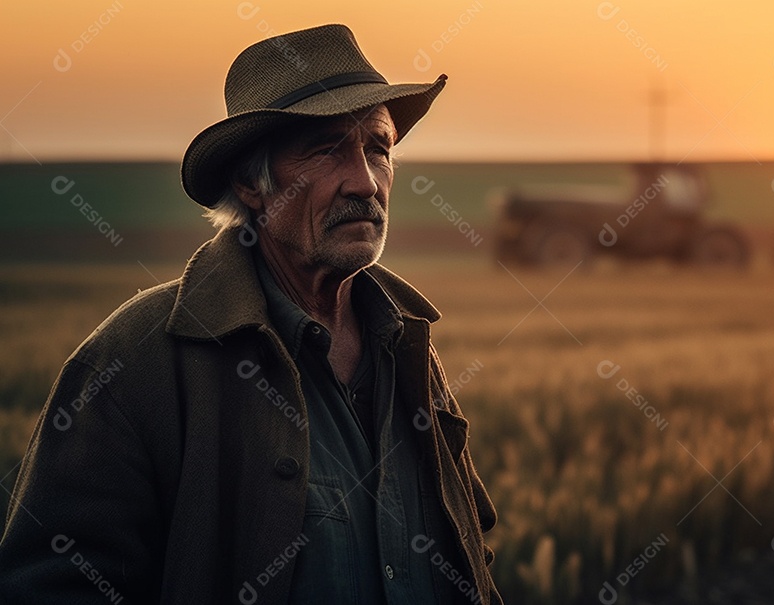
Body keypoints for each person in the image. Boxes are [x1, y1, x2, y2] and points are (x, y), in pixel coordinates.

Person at [0, 24, 501, 605]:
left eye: (378, 149)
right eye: (326, 149)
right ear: (251, 184)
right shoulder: (140, 362)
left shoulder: (408, 343)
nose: (364, 182)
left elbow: (470, 558)